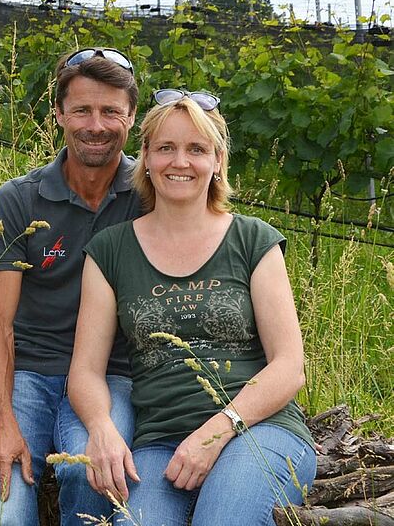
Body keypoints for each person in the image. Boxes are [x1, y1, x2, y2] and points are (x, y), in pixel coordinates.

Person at [68, 89, 317, 525]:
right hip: (159, 443)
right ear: (144, 157)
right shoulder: (109, 250)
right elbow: (86, 370)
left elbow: (289, 366)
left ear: (218, 160)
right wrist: (102, 427)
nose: (179, 162)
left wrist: (216, 431)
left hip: (259, 431)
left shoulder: (253, 240)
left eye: (196, 149)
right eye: (166, 147)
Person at [0, 48, 142, 526]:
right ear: (59, 115)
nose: (97, 124)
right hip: (26, 373)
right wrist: (3, 423)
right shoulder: (20, 199)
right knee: (2, 512)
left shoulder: (150, 195)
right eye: (82, 110)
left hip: (111, 374)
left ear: (131, 116)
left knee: (94, 477)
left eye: (111, 111)